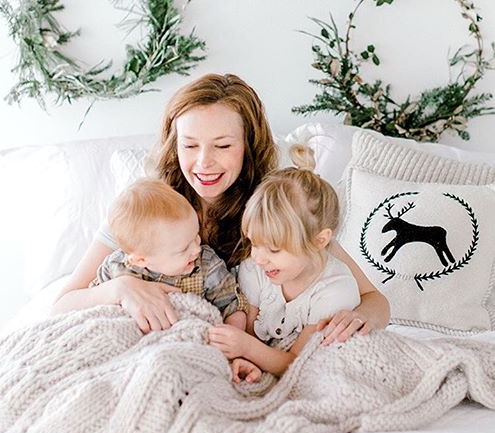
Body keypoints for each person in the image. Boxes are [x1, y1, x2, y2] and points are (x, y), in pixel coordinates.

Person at [52, 73, 390, 342]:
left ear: (248, 145)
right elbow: (62, 304)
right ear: (175, 144)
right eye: (190, 145)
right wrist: (121, 288)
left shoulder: (273, 208)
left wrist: (360, 317)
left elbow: (375, 300)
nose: (203, 162)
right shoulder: (150, 207)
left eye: (223, 145)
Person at [209, 145, 360, 381]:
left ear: (319, 240)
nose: (258, 257)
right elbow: (250, 333)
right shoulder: (256, 268)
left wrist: (246, 349)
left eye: (274, 248)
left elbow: (297, 363)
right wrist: (245, 358)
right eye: (254, 243)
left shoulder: (335, 291)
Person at [89, 178, 247, 329]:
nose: (196, 249)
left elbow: (232, 305)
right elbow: (93, 303)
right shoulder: (118, 267)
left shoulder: (207, 265)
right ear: (141, 260)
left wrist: (231, 334)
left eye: (196, 237)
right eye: (184, 249)